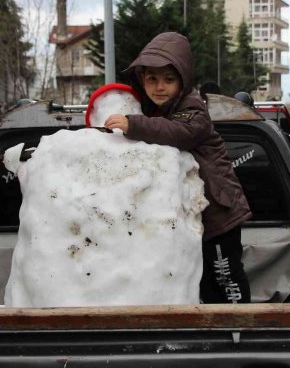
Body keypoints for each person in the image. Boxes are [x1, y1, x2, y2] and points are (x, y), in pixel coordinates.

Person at [104, 32, 252, 304]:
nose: (160, 87)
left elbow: (180, 132)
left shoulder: (191, 108)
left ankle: (239, 326)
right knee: (203, 278)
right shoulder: (159, 112)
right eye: (152, 79)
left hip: (218, 214)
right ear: (142, 80)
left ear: (182, 80)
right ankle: (216, 329)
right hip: (194, 217)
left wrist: (133, 124)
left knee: (225, 275)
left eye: (168, 80)